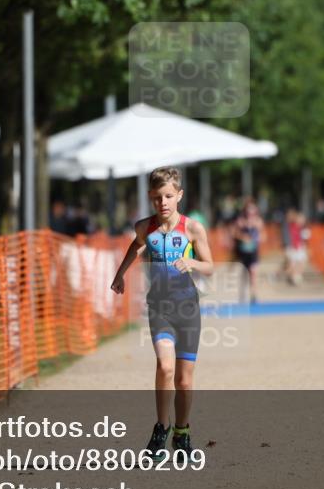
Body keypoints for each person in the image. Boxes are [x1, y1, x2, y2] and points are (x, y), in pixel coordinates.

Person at [110, 167, 213, 462]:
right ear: (150, 198)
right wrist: (120, 274)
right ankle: (161, 428)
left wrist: (192, 264)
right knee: (165, 368)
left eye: (168, 196)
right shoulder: (145, 227)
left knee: (184, 380)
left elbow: (210, 265)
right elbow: (136, 246)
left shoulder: (193, 229)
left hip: (187, 309)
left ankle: (182, 432)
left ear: (179, 195)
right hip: (159, 308)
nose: (163, 202)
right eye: (157, 197)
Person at [231, 198, 264, 304]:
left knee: (253, 272)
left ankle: (254, 294)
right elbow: (234, 233)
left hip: (253, 251)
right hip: (243, 251)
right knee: (244, 273)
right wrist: (242, 237)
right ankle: (242, 294)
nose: (251, 213)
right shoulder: (240, 221)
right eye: (249, 210)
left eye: (253, 210)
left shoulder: (258, 221)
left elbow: (262, 234)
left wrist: (257, 236)